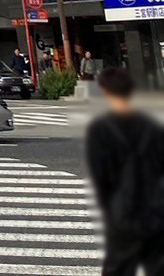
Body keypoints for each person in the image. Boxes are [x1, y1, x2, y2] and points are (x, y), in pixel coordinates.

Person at [85, 66, 164, 275]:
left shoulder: (101, 130)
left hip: (124, 213)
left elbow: (101, 178)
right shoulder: (151, 127)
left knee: (118, 269)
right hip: (155, 211)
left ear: (105, 92)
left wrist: (110, 212)